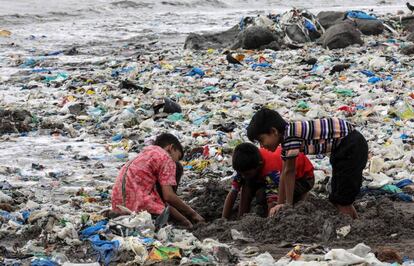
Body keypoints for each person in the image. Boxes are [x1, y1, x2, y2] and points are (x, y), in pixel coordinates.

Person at [247, 108, 368, 219]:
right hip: (343, 148)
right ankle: (355, 224)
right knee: (337, 196)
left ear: (274, 131)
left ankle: (349, 229)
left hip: (351, 146)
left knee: (342, 199)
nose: (262, 146)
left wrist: (287, 205)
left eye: (261, 140)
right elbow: (284, 172)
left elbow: (290, 172)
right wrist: (280, 204)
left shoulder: (290, 136)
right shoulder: (287, 139)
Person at [111, 133, 204, 227]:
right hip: (138, 209)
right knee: (178, 168)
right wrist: (192, 215)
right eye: (178, 157)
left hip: (117, 206)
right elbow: (168, 197)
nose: (176, 161)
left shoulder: (146, 152)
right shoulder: (166, 158)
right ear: (171, 148)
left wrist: (184, 219)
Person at [222, 142, 314, 219]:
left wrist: (268, 220)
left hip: (303, 178)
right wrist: (223, 219)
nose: (243, 176)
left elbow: (272, 200)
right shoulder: (245, 165)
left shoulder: (271, 169)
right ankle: (241, 217)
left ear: (259, 166)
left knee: (261, 194)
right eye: (241, 173)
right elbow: (233, 192)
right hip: (273, 175)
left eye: (246, 174)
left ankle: (300, 197)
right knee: (246, 184)